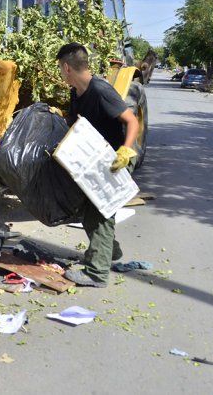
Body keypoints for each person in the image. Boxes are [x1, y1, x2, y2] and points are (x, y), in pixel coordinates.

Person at [54, 42, 139, 288]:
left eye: (60, 68)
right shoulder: (76, 93)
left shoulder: (100, 90)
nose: (61, 73)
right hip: (96, 157)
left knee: (100, 211)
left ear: (67, 67)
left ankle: (97, 273)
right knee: (87, 210)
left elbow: (132, 121)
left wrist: (125, 151)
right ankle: (108, 251)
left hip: (116, 157)